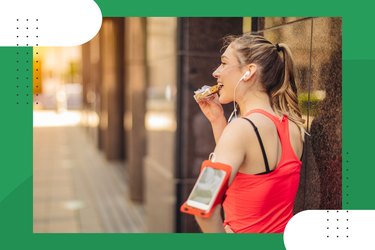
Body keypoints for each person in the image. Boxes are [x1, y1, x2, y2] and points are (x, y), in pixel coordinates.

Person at [194, 34, 305, 233]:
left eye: (223, 63)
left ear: (249, 72)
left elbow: (202, 204)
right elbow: (248, 176)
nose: (215, 72)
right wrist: (218, 121)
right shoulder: (293, 127)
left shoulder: (241, 129)